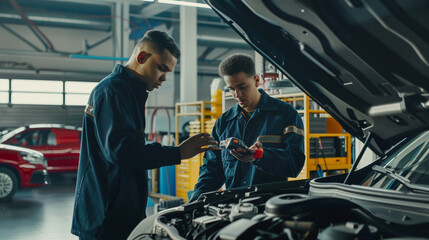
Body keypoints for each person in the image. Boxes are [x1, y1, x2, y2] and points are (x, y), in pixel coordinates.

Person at [71, 29, 217, 240]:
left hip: (120, 210)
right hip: (105, 215)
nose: (164, 78)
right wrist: (178, 153)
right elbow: (121, 152)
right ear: (141, 57)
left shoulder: (128, 93)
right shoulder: (113, 92)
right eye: (161, 68)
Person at [190, 53, 305, 201]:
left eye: (242, 87)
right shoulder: (223, 123)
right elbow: (212, 170)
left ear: (256, 80)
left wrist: (259, 155)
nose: (237, 94)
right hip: (233, 209)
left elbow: (294, 164)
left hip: (270, 208)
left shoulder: (285, 114)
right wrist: (194, 202)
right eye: (231, 89)